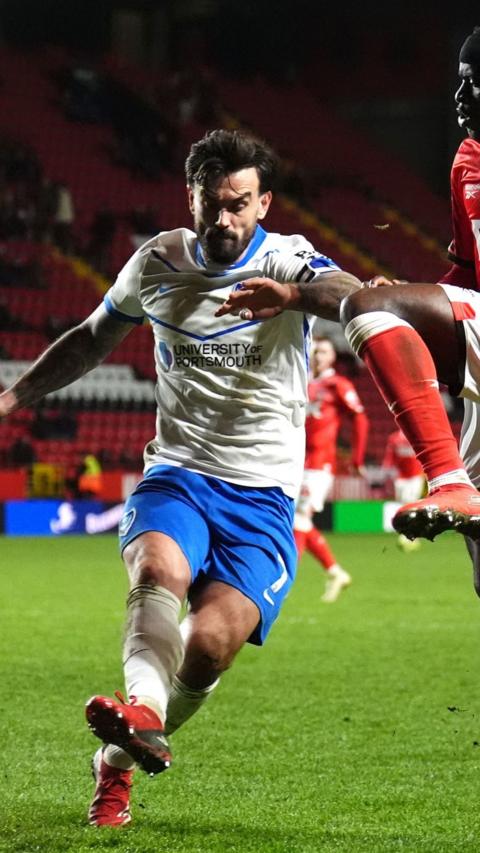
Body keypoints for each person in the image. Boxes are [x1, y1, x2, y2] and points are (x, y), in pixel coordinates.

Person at [0, 129, 364, 827]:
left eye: (239, 204)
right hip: (180, 474)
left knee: (208, 645)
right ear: (190, 198)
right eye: (212, 204)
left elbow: (346, 293)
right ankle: (141, 708)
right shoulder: (158, 261)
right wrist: (12, 398)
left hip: (262, 498)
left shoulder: (289, 257)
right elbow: (89, 337)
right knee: (157, 569)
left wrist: (289, 295)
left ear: (263, 204)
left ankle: (117, 762)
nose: (225, 220)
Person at [337, 28, 480, 559]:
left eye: (477, 84)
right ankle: (456, 484)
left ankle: (448, 477)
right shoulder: (468, 159)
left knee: (367, 307)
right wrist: (418, 299)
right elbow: (469, 273)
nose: (462, 98)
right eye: (461, 83)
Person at [294, 335, 368, 601]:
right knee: (298, 520)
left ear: (333, 357)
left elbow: (359, 418)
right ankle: (336, 572)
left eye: (323, 351)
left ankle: (285, 577)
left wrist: (357, 458)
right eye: (314, 351)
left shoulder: (338, 384)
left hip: (318, 464)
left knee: (298, 520)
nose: (317, 356)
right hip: (294, 462)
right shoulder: (302, 383)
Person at [382, 428, 425, 551]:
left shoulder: (416, 436)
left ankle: (411, 534)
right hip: (400, 477)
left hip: (416, 476)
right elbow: (389, 456)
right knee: (403, 505)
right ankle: (408, 532)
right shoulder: (394, 438)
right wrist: (387, 470)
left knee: (411, 504)